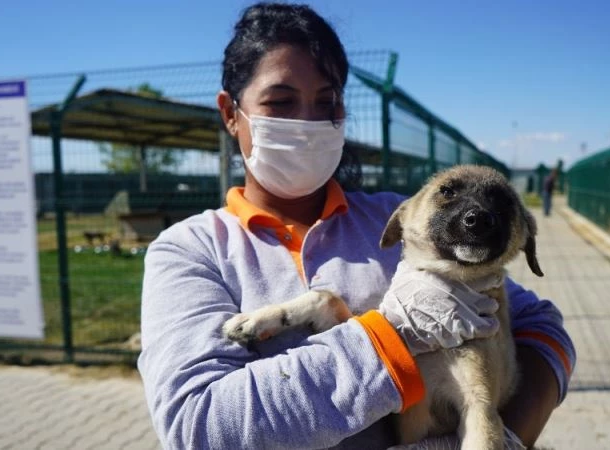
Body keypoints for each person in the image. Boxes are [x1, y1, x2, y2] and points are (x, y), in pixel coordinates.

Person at [137, 3, 575, 449]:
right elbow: (198, 427)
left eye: (326, 101)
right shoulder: (190, 250)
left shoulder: (405, 222)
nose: (307, 121)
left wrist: (507, 436)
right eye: (281, 102)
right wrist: (391, 336)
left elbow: (541, 327)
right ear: (230, 113)